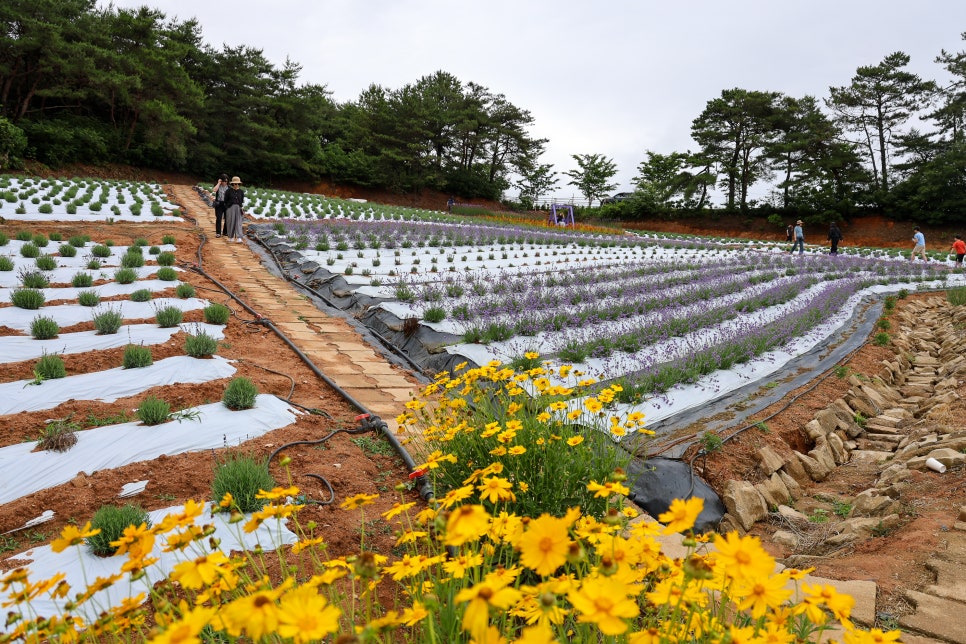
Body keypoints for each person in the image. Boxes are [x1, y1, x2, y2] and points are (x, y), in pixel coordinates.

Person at [223, 176, 245, 243]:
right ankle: (231, 237)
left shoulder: (241, 192)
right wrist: (228, 207)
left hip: (238, 207)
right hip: (230, 208)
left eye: (238, 184)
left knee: (238, 223)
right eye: (235, 184)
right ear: (232, 184)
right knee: (230, 222)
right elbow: (225, 200)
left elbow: (241, 200)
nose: (236, 185)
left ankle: (239, 237)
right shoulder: (228, 191)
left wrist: (241, 208)